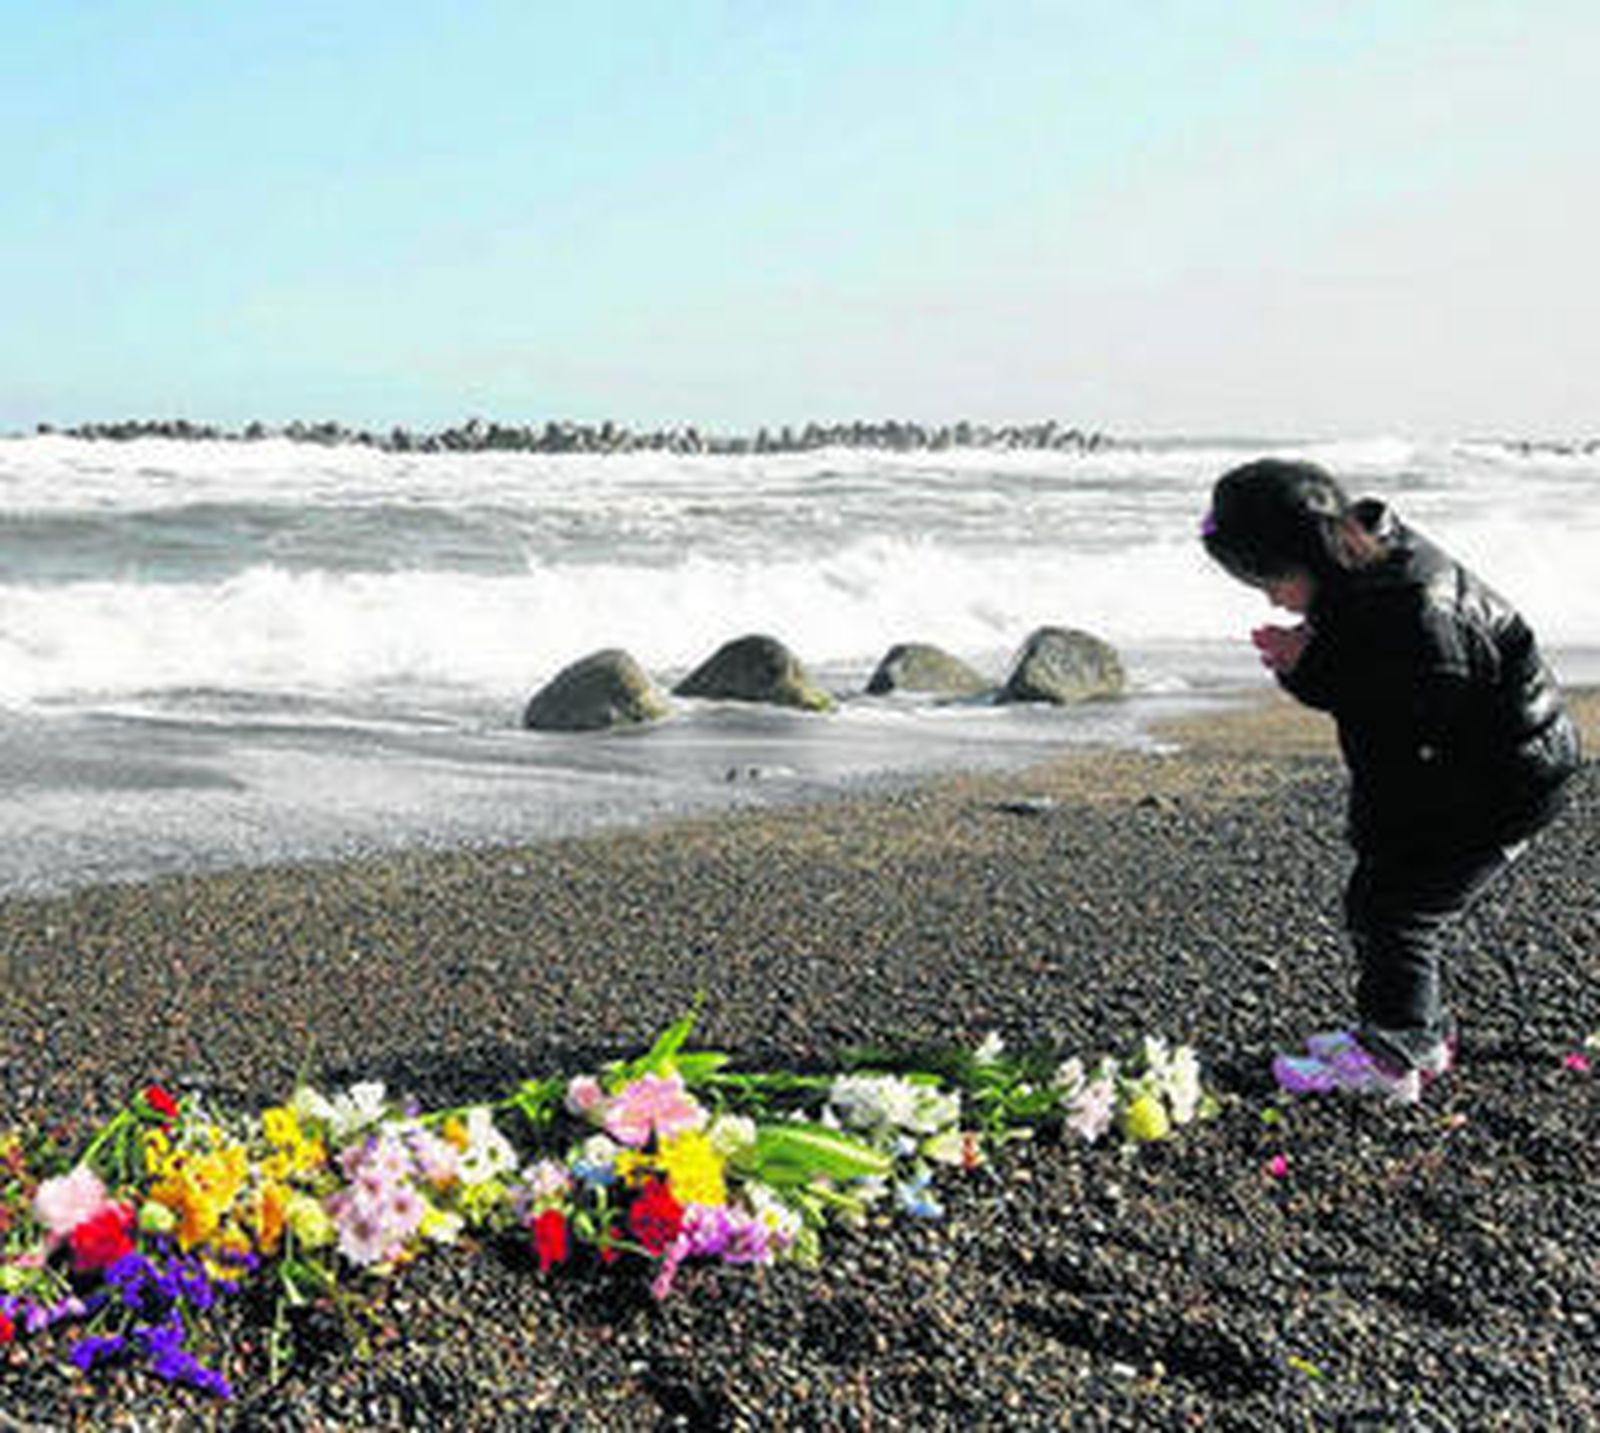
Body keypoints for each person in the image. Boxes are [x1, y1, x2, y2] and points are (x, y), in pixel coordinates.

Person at [1201, 458, 1581, 1102]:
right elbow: (1385, 682)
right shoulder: (1364, 567)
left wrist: (1309, 665)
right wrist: (1315, 650)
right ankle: (1418, 1036)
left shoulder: (1415, 609)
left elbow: (1406, 719)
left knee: (1398, 908)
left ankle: (1392, 1058)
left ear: (1308, 556)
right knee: (1387, 896)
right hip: (1475, 764)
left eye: (1270, 580)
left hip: (1505, 778)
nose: (1269, 598)